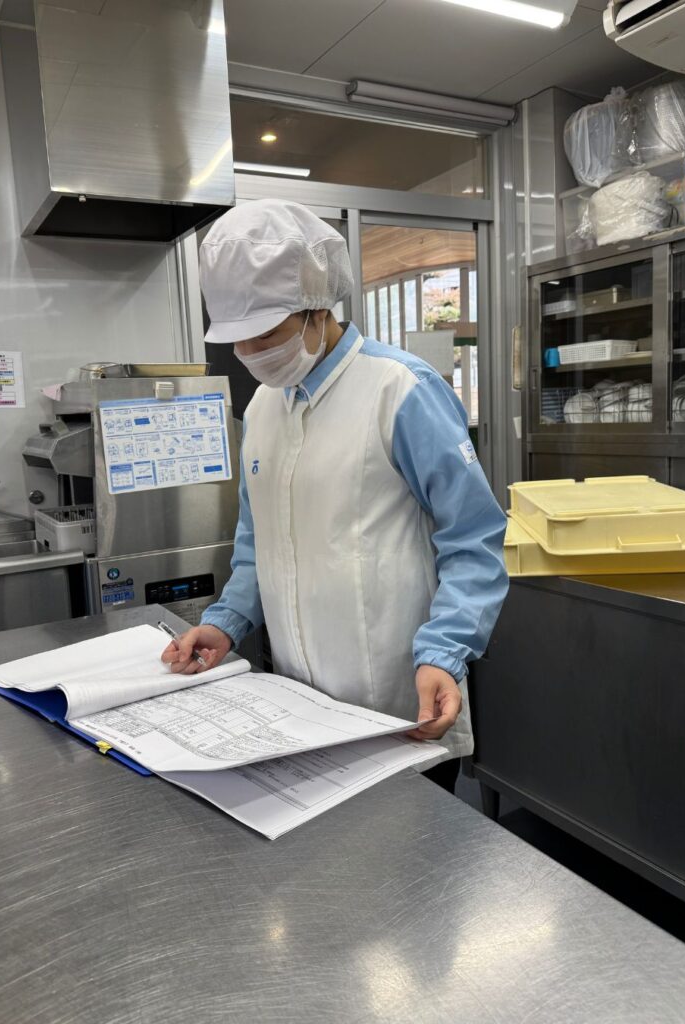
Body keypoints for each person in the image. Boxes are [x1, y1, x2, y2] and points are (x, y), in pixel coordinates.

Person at [162, 199, 508, 791]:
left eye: (266, 335)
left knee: (410, 846)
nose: (252, 355)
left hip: (399, 705)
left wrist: (445, 651)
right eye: (239, 341)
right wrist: (226, 622)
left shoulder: (400, 390)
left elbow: (473, 539)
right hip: (300, 712)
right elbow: (259, 542)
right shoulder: (263, 408)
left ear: (317, 308)